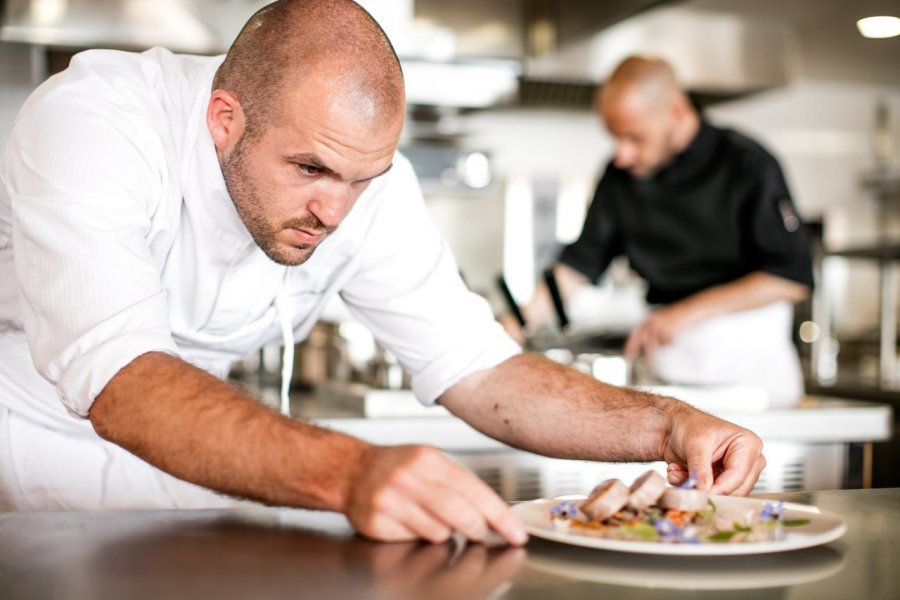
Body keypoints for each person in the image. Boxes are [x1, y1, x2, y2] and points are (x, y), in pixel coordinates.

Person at [0, 1, 765, 545]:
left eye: (360, 180)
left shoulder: (365, 190)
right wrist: (352, 472)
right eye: (309, 169)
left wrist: (663, 423)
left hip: (180, 472)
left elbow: (482, 368)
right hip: (24, 455)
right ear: (223, 119)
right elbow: (122, 381)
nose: (334, 211)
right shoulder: (96, 121)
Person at [512, 55, 814, 408]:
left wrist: (686, 312)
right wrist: (515, 323)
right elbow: (577, 266)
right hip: (671, 375)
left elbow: (792, 278)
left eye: (634, 138)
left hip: (750, 376)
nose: (622, 154)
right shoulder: (619, 177)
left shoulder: (747, 163)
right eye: (615, 139)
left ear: (677, 112)